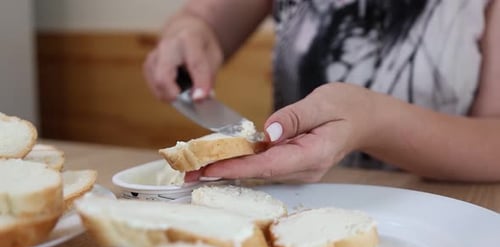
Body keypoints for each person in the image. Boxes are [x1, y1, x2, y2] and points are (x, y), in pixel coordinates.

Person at [144, 0, 500, 183]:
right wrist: (187, 32)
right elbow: (202, 21)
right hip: (296, 205)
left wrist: (373, 122)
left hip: (444, 217)